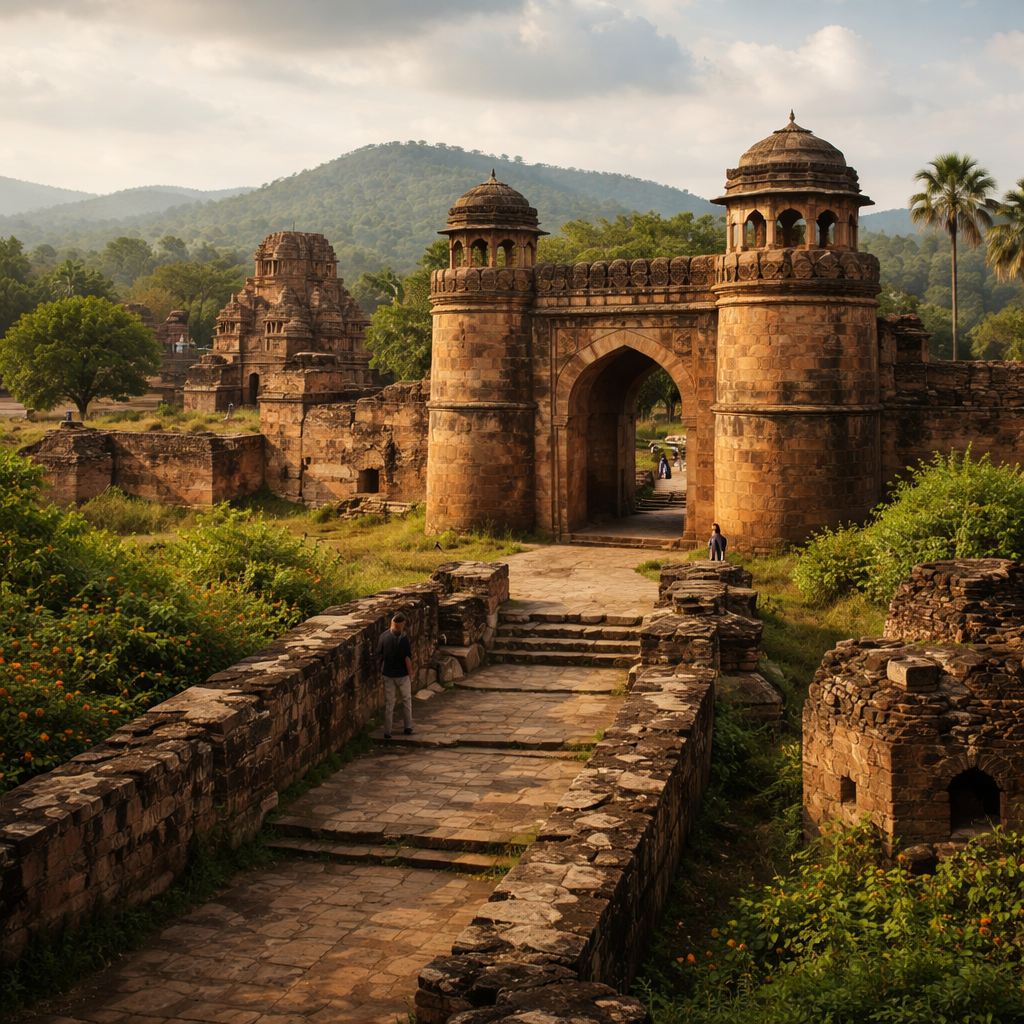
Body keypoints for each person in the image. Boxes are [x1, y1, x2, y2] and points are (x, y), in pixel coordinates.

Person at [377, 611, 414, 738]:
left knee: (389, 703)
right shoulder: (403, 639)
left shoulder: (383, 636)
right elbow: (407, 659)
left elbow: (380, 655)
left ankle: (388, 731)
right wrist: (411, 673)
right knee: (407, 700)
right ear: (401, 624)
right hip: (402, 675)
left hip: (388, 674)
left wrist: (379, 671)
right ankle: (407, 727)